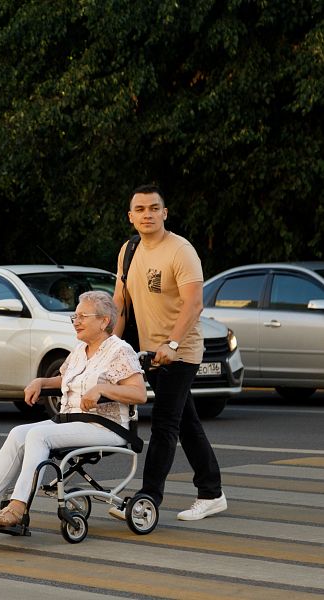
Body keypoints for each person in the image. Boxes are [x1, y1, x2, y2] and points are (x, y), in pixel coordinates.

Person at [0, 291, 147, 527]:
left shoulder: (120, 350)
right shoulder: (80, 350)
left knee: (38, 435)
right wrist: (41, 382)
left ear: (104, 321)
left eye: (82, 316)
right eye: (75, 317)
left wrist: (102, 389)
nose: (75, 321)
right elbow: (65, 379)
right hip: (72, 420)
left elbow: (139, 394)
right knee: (18, 433)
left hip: (106, 426)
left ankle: (18, 507)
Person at [111, 184, 227, 521]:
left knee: (164, 423)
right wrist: (109, 348)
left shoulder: (181, 250)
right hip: (150, 353)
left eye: (154, 208)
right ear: (131, 217)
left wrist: (173, 344)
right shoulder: (129, 250)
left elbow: (194, 303)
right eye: (140, 209)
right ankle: (212, 491)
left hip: (181, 351)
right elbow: (120, 303)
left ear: (164, 213)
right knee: (186, 423)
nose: (147, 214)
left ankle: (147, 499)